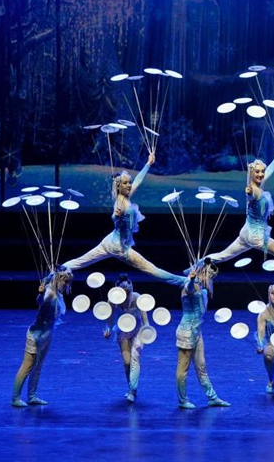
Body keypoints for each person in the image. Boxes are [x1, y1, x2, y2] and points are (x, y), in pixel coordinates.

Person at [204, 146, 274, 286]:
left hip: (246, 232)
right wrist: (249, 193)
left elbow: (268, 171)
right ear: (251, 173)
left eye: (262, 172)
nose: (261, 174)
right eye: (257, 172)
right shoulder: (253, 190)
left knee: (223, 255)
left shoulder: (258, 184)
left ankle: (194, 267)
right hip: (257, 237)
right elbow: (251, 196)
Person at [62, 152, 179, 284]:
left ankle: (59, 269)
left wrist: (148, 164)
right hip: (120, 248)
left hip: (110, 241)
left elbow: (138, 182)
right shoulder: (120, 203)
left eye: (128, 182)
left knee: (82, 261)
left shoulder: (125, 197)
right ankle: (182, 281)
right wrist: (116, 217)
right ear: (118, 186)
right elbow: (116, 218)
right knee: (151, 269)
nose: (129, 185)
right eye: (125, 183)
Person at [12, 267, 73, 407]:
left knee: (38, 366)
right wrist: (40, 293)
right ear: (59, 279)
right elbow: (41, 301)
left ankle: (32, 396)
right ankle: (15, 398)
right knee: (27, 366)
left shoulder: (58, 292)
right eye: (66, 282)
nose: (67, 285)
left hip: (47, 334)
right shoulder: (50, 293)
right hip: (36, 335)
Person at [175, 258, 230, 409]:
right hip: (187, 332)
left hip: (197, 332)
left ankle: (212, 397)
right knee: (183, 368)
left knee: (202, 366)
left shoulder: (203, 289)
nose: (210, 278)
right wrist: (192, 279)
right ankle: (182, 400)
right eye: (209, 275)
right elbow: (189, 287)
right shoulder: (190, 286)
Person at [103, 274, 149, 403]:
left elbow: (146, 321)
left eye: (128, 290)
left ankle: (132, 390)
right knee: (127, 362)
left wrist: (148, 331)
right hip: (123, 332)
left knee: (135, 357)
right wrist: (107, 330)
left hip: (137, 331)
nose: (127, 292)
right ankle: (131, 386)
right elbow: (109, 320)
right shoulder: (113, 300)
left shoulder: (137, 298)